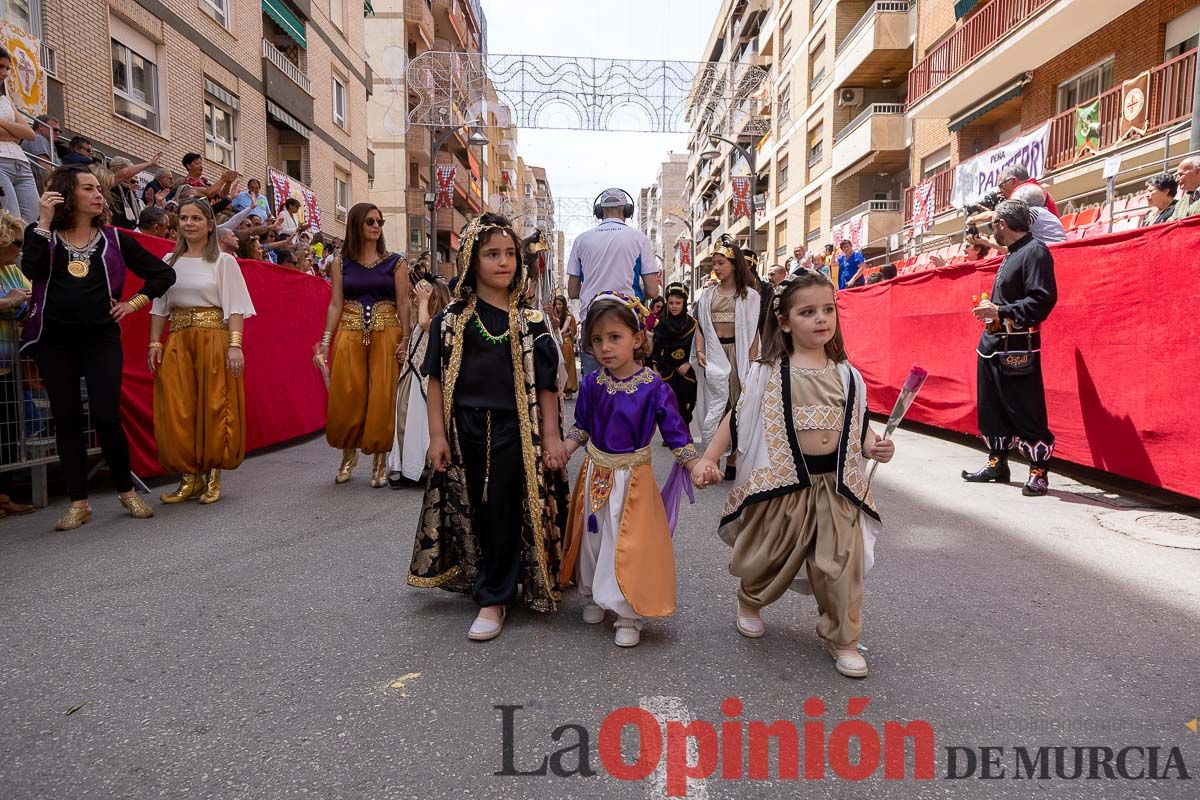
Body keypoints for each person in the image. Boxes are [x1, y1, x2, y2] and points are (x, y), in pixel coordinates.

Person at [692, 269, 894, 679]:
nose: (821, 319)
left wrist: (874, 445)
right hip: (783, 485)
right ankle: (750, 599)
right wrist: (710, 457)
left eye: (827, 310)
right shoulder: (767, 372)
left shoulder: (846, 374)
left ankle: (843, 636)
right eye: (807, 312)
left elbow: (860, 424)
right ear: (784, 321)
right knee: (769, 556)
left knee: (841, 564)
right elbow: (738, 417)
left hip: (836, 487)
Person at [409, 212, 568, 641]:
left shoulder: (532, 323)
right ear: (471, 261)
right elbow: (437, 378)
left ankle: (493, 597)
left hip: (516, 430)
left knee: (501, 506)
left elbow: (549, 386)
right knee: (472, 508)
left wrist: (552, 438)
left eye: (510, 254)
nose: (503, 262)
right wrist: (438, 436)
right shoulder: (451, 321)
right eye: (491, 254)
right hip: (464, 429)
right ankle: (484, 574)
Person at [20, 165, 176, 530]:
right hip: (53, 341)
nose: (98, 195)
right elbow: (33, 268)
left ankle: (127, 491)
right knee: (67, 419)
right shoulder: (41, 234)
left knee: (107, 415)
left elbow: (163, 275)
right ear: (65, 194)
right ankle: (79, 503)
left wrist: (132, 304)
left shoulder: (115, 239)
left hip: (100, 338)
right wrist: (43, 220)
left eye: (98, 189)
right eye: (88, 188)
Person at [558, 292, 699, 647]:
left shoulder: (655, 388)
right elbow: (582, 426)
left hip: (633, 479)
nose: (605, 347)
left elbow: (677, 435)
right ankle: (593, 595)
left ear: (636, 339)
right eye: (597, 340)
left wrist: (696, 465)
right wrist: (566, 448)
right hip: (594, 474)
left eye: (614, 337)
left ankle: (627, 613)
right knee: (593, 538)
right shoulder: (592, 384)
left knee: (629, 544)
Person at [148, 198, 255, 505]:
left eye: (196, 218)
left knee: (214, 403)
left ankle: (212, 476)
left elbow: (235, 307)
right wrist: (155, 343)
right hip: (179, 339)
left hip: (214, 338)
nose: (189, 223)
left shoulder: (223, 262)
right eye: (183, 218)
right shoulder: (169, 260)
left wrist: (235, 346)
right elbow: (160, 306)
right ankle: (188, 478)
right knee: (178, 406)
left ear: (210, 224)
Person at [963, 200, 1057, 497]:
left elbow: (1042, 300)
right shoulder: (1014, 252)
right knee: (992, 408)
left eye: (995, 227)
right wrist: (990, 313)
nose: (994, 233)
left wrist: (1000, 312)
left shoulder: (1035, 251)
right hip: (992, 343)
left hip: (1017, 345)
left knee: (1026, 409)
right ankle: (997, 463)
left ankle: (1038, 471)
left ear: (1002, 224)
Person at [314, 203, 410, 488]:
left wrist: (406, 339)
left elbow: (403, 303)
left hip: (387, 331)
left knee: (382, 394)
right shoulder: (340, 262)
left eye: (379, 221)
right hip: (349, 330)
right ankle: (348, 455)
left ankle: (380, 460)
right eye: (370, 221)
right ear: (356, 224)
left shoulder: (396, 262)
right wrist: (325, 342)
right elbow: (335, 304)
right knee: (347, 392)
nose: (376, 225)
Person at [566, 188, 660, 374]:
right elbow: (653, 291)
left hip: (593, 318)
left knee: (595, 383)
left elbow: (572, 291)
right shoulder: (639, 239)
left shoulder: (581, 240)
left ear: (599, 211)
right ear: (626, 210)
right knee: (629, 382)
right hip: (626, 318)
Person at [693, 234, 761, 481]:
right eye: (714, 263)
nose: (716, 268)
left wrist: (753, 363)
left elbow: (754, 332)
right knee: (717, 407)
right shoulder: (708, 296)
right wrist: (700, 351)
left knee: (738, 406)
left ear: (734, 264)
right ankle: (714, 458)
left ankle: (733, 459)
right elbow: (701, 327)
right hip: (715, 355)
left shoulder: (749, 296)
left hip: (739, 356)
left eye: (721, 262)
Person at [386, 276, 449, 488]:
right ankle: (408, 468)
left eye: (421, 296)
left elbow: (425, 324)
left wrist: (423, 300)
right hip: (411, 376)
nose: (415, 298)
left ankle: (421, 468)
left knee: (419, 426)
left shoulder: (438, 321)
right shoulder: (424, 318)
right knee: (405, 422)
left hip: (423, 382)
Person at [0, 210, 34, 518]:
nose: (21, 248)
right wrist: (8, 302)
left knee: (10, 433)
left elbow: (31, 296)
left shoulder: (12, 268)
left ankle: (3, 495)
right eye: (17, 242)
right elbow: (13, 300)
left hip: (9, 364)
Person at [651, 282, 698, 427]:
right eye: (671, 303)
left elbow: (698, 347)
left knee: (686, 401)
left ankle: (684, 429)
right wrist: (655, 367)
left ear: (684, 303)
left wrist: (689, 363)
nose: (674, 306)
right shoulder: (661, 325)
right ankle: (670, 432)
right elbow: (656, 348)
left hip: (686, 371)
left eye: (678, 302)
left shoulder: (693, 324)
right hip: (667, 369)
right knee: (667, 402)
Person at [0, 48, 38, 223]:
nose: (5, 73)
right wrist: (15, 132)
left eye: (7, 68)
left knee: (32, 222)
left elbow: (29, 133)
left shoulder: (5, 100)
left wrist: (3, 122)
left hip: (22, 164)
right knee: (12, 223)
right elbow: (19, 134)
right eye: (1, 67)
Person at [552, 296, 579, 397]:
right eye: (556, 304)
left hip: (565, 342)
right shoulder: (554, 315)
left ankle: (568, 389)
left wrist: (556, 333)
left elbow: (564, 328)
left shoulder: (568, 315)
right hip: (556, 342)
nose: (558, 306)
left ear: (564, 305)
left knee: (567, 366)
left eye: (560, 304)